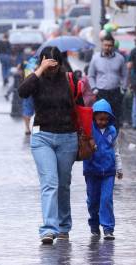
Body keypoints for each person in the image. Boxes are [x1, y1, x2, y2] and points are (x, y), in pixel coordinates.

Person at [18, 46, 82, 244]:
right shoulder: (36, 80)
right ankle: (48, 229)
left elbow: (81, 103)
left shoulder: (68, 79)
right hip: (42, 137)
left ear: (60, 64)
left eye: (54, 66)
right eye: (48, 65)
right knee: (50, 183)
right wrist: (40, 70)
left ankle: (63, 226)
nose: (51, 70)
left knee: (63, 185)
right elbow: (22, 92)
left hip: (67, 137)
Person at [83, 99, 123, 240]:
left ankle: (108, 228)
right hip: (91, 171)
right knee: (93, 200)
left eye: (106, 119)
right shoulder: (88, 129)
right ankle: (94, 225)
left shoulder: (112, 131)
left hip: (108, 171)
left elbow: (116, 150)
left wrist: (119, 168)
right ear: (94, 117)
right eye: (100, 119)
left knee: (106, 199)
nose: (103, 122)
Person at [88, 34, 126, 130]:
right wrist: (94, 88)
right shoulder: (95, 58)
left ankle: (114, 137)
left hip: (116, 91)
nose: (107, 48)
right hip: (101, 92)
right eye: (105, 45)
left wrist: (124, 88)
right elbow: (91, 75)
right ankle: (101, 138)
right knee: (101, 117)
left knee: (115, 116)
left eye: (109, 45)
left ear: (113, 46)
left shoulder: (120, 58)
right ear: (102, 45)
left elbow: (125, 75)